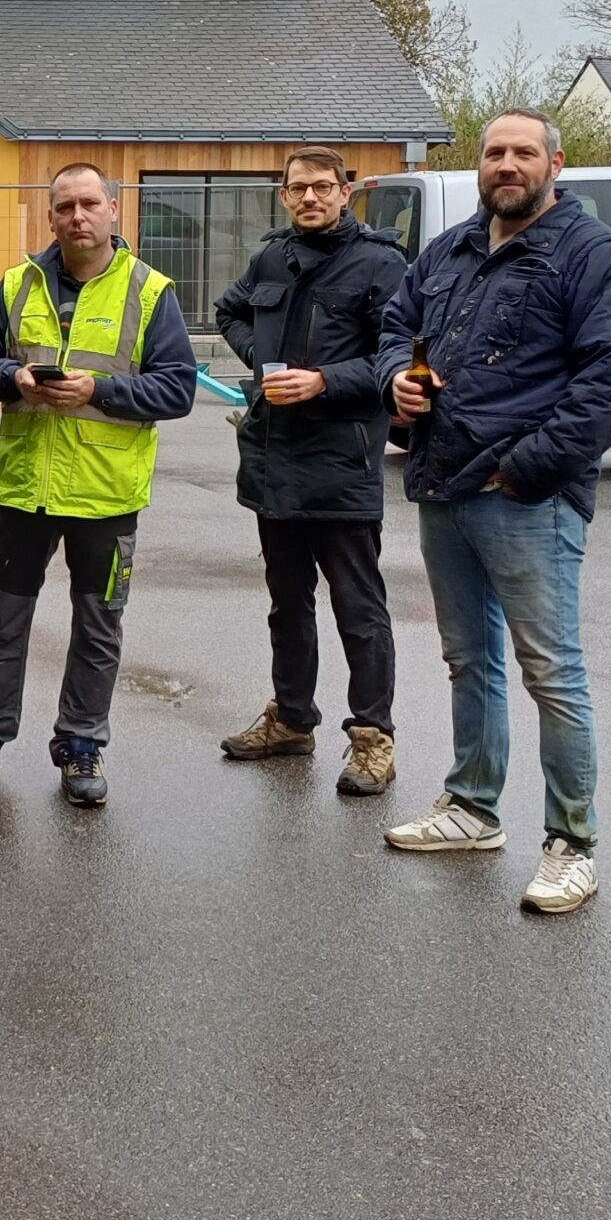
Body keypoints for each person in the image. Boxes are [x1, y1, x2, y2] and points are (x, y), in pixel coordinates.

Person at [374, 110, 611, 914]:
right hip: (442, 481)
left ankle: (574, 843)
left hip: (526, 497)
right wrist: (398, 377)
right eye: (495, 152)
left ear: (554, 164)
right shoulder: (451, 250)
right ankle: (472, 807)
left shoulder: (593, 258)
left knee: (551, 672)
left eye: (523, 152)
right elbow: (397, 325)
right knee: (471, 661)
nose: (507, 164)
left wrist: (524, 470)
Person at [0, 165, 197, 809]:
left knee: (98, 627)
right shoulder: (17, 284)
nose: (77, 217)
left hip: (106, 495)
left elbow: (178, 388)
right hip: (25, 489)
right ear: (51, 217)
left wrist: (99, 390)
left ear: (113, 211)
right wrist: (13, 378)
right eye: (65, 207)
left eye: (89, 204)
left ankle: (81, 745)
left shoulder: (150, 292)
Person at [213, 145, 408, 795]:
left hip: (342, 464)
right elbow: (230, 310)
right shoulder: (272, 254)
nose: (310, 198)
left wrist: (325, 380)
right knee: (287, 604)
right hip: (273, 463)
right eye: (299, 188)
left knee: (359, 608)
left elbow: (398, 355)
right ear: (284, 194)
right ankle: (293, 719)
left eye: (323, 187)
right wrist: (260, 356)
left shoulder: (381, 264)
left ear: (346, 193)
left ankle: (373, 740)